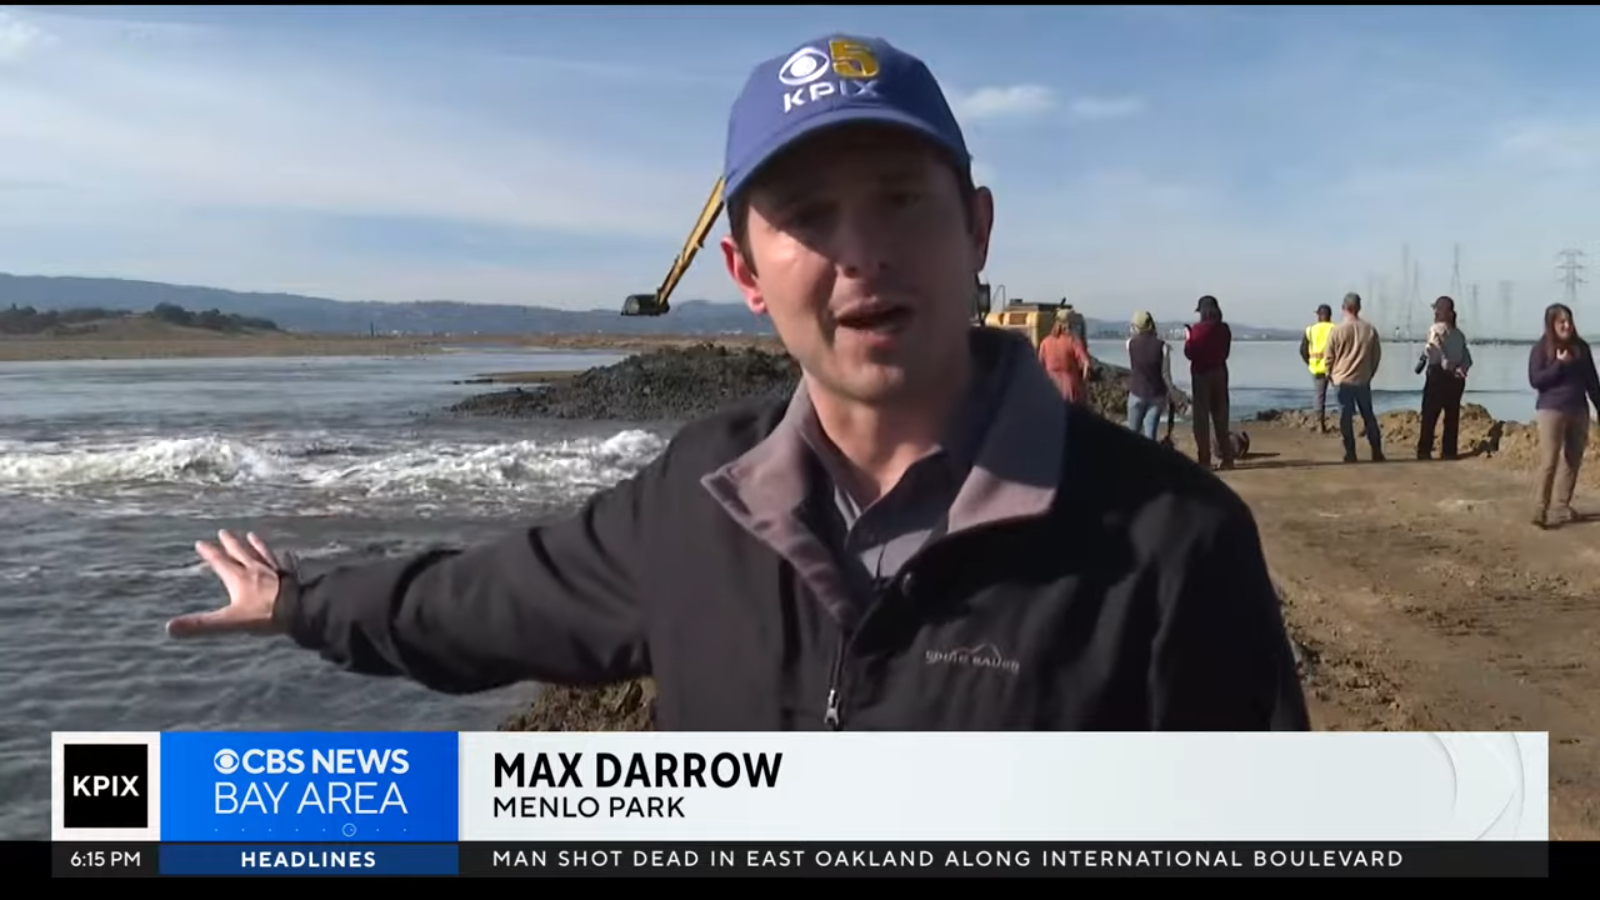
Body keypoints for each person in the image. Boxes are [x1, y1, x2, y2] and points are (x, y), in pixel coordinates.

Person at [165, 33, 1308, 732]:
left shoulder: (1172, 539)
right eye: (806, 217)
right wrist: (303, 604)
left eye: (899, 200)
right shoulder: (696, 498)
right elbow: (478, 604)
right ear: (745, 273)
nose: (858, 251)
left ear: (975, 231)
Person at [1528, 303, 1600, 528]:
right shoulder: (1541, 349)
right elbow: (1536, 381)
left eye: (1569, 321)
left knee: (1573, 459)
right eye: (1562, 322)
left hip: (1578, 409)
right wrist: (1558, 364)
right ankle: (1540, 510)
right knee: (1549, 460)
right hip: (1551, 410)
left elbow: (1592, 381)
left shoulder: (1581, 348)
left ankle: (1561, 505)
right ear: (1551, 325)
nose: (1567, 326)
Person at [1322, 292, 1385, 463]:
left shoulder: (1337, 331)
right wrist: (1369, 373)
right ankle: (1377, 451)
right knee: (1368, 416)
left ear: (1343, 308)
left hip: (1342, 381)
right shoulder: (1370, 330)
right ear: (1359, 308)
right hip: (1362, 380)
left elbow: (1328, 357)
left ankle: (1351, 452)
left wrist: (1329, 374)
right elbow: (1376, 356)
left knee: (1345, 419)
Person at [1416, 296, 1473, 461]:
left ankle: (1424, 451)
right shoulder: (1459, 334)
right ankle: (1449, 451)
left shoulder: (1435, 329)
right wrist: (1461, 369)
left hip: (1437, 375)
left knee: (1429, 415)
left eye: (1437, 309)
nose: (1434, 312)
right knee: (1452, 416)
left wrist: (1443, 360)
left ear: (1443, 311)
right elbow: (1468, 358)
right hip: (1456, 378)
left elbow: (1433, 346)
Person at [1184, 295, 1233, 469]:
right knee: (1221, 417)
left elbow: (1190, 353)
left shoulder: (1197, 330)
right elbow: (1226, 353)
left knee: (1201, 419)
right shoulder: (1225, 329)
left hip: (1201, 375)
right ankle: (1227, 458)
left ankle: (1204, 459)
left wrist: (1188, 338)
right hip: (1220, 373)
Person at [1125, 310, 1173, 440]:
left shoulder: (1130, 344)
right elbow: (1166, 374)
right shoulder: (1163, 347)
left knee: (1132, 434)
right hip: (1157, 395)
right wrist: (1171, 392)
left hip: (1136, 393)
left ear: (1136, 327)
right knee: (1150, 434)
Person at [1299, 304, 1335, 433]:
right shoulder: (1335, 329)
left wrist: (1310, 363)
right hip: (1335, 367)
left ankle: (1320, 425)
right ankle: (1346, 423)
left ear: (1320, 315)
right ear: (1330, 316)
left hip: (1317, 368)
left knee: (1319, 396)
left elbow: (1303, 350)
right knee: (1342, 395)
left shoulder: (1310, 330)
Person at [1038, 317, 1091, 404]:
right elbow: (1086, 363)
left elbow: (1039, 366)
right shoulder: (1072, 341)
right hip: (1071, 388)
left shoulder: (1045, 342)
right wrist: (1084, 379)